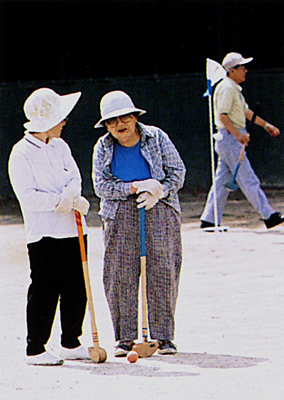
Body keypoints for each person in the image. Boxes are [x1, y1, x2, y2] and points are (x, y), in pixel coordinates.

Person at [92, 90, 186, 356]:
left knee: (163, 270)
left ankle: (163, 337)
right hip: (119, 212)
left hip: (159, 209)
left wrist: (159, 190)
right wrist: (134, 187)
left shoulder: (157, 137)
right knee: (119, 274)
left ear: (134, 117)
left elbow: (178, 173)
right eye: (111, 121)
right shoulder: (103, 146)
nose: (119, 125)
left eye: (124, 117)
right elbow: (101, 185)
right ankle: (125, 338)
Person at [8, 88, 90, 366]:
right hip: (44, 233)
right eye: (60, 117)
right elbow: (28, 196)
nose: (65, 121)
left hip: (73, 227)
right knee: (45, 288)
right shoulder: (20, 154)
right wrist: (61, 201)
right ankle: (35, 348)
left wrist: (73, 196)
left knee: (77, 287)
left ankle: (70, 342)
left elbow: (75, 177)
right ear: (46, 121)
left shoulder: (61, 146)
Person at [200, 52, 284, 229]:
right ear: (232, 70)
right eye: (242, 67)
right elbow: (222, 116)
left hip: (229, 138)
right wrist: (238, 135)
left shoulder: (233, 89)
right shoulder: (227, 88)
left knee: (222, 182)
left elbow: (246, 112)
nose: (245, 70)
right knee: (248, 179)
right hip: (231, 138)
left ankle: (208, 219)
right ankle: (269, 216)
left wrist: (266, 125)